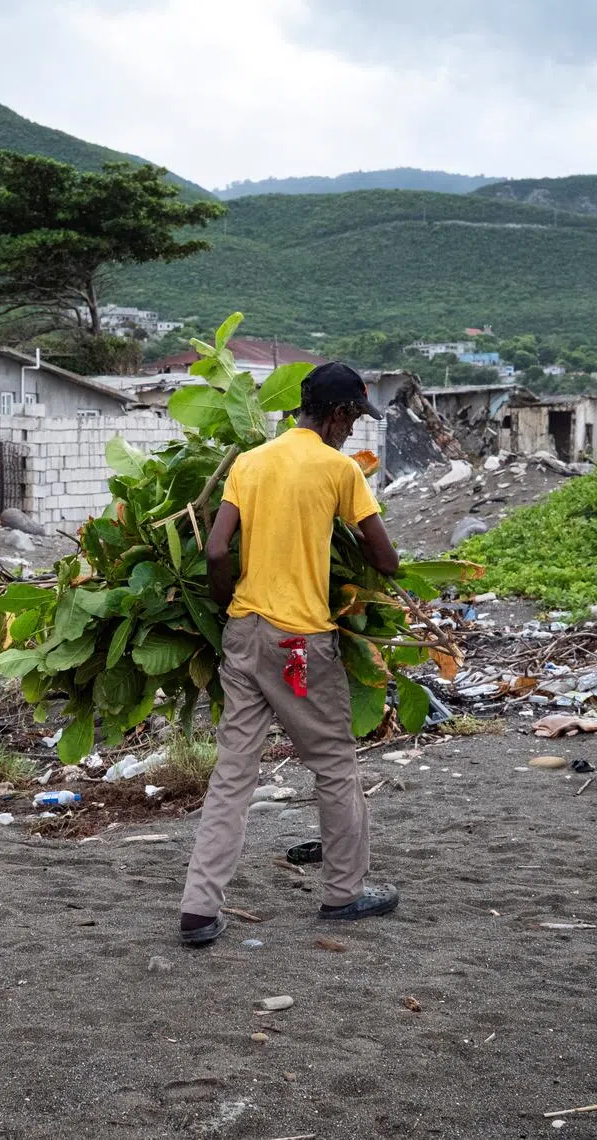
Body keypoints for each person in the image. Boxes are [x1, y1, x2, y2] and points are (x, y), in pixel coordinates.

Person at [179, 362, 401, 946]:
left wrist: (229, 606)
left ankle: (199, 909)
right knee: (332, 762)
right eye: (353, 418)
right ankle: (343, 894)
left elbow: (217, 548)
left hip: (244, 635)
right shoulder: (337, 469)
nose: (353, 431)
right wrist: (346, 533)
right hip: (298, 644)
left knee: (233, 772)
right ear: (336, 414)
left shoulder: (251, 463)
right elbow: (387, 561)